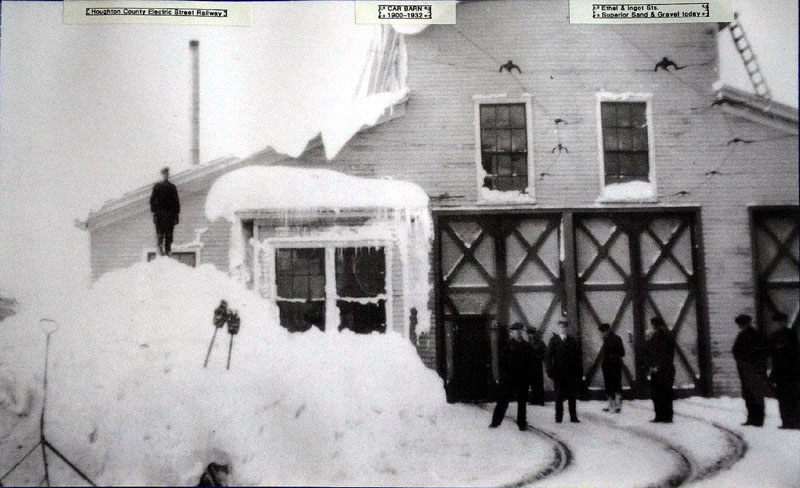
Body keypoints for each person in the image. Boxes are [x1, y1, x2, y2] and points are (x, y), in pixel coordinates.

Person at [490, 322, 533, 430]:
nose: (518, 333)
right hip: (509, 379)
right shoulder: (507, 347)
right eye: (515, 331)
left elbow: (530, 364)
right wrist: (503, 378)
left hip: (522, 379)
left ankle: (521, 424)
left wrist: (528, 378)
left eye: (520, 331)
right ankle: (495, 423)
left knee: (522, 402)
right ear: (511, 333)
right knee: (503, 401)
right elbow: (502, 364)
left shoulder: (527, 346)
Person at [731, 314, 770, 427]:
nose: (740, 326)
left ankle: (757, 420)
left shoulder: (754, 335)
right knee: (749, 395)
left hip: (754, 370)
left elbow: (763, 352)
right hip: (746, 370)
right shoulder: (744, 335)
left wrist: (750, 363)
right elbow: (735, 351)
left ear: (747, 323)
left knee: (755, 395)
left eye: (741, 324)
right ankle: (752, 418)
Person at [546, 318, 582, 423]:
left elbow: (577, 357)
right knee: (559, 396)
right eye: (561, 327)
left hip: (571, 373)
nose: (563, 329)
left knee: (572, 396)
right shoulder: (554, 340)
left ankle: (573, 417)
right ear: (558, 327)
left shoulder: (572, 340)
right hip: (558, 373)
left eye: (565, 327)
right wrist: (550, 370)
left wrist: (578, 372)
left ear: (567, 328)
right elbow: (548, 356)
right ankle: (558, 418)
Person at [768, 312, 800, 430]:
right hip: (788, 372)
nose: (779, 324)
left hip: (786, 372)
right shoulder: (790, 335)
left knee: (787, 398)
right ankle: (791, 421)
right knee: (790, 398)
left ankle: (789, 421)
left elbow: (774, 356)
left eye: (780, 321)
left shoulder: (783, 336)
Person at [645, 317, 675, 423]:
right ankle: (665, 416)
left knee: (659, 393)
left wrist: (656, 366)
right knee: (664, 393)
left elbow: (661, 353)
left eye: (653, 324)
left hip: (661, 369)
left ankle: (662, 416)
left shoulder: (661, 335)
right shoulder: (665, 334)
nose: (652, 327)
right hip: (665, 369)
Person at [149, 167, 180, 256]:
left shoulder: (172, 187)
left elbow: (176, 202)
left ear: (168, 175)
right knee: (160, 233)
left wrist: (176, 215)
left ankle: (168, 250)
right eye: (164, 174)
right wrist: (154, 213)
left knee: (169, 234)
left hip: (170, 215)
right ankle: (160, 250)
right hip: (160, 215)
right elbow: (152, 201)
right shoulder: (157, 187)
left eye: (167, 174)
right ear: (161, 175)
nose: (165, 175)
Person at [599, 322, 625, 413]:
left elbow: (621, 352)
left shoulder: (611, 339)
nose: (601, 334)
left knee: (612, 385)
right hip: (612, 365)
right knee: (615, 384)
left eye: (602, 332)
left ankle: (614, 405)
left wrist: (611, 356)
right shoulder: (615, 338)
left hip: (611, 365)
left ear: (606, 331)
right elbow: (622, 353)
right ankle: (615, 405)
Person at [525, 325, 547, 406]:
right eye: (529, 334)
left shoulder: (540, 342)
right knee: (532, 382)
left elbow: (546, 352)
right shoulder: (527, 342)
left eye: (531, 333)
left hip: (537, 364)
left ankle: (541, 400)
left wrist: (539, 357)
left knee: (539, 382)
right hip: (530, 365)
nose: (530, 335)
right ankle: (534, 399)